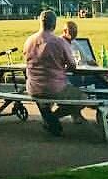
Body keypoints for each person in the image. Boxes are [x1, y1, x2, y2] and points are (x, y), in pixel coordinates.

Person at [24, 9, 87, 137]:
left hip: (33, 87)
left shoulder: (29, 41)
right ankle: (53, 117)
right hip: (54, 87)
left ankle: (49, 117)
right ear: (54, 24)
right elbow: (72, 66)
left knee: (44, 96)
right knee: (83, 98)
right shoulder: (59, 42)